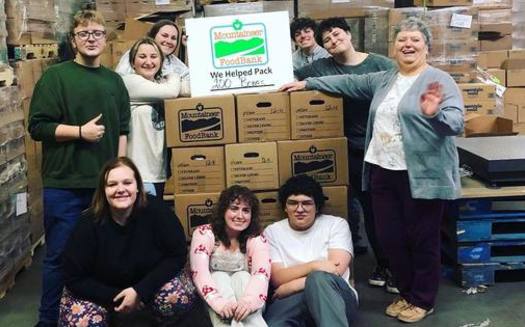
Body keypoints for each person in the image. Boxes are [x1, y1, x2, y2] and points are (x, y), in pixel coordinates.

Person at [280, 17, 464, 323]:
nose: (408, 45)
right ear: (394, 48)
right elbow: (349, 83)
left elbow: (456, 122)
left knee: (422, 239)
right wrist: (308, 83)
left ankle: (423, 299)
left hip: (420, 174)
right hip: (382, 169)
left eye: (415, 40)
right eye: (402, 40)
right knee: (390, 237)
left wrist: (434, 115)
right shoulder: (386, 77)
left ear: (427, 48)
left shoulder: (438, 80)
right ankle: (406, 292)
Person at [28, 10, 130, 327]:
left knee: (105, 257)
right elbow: (38, 126)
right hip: (66, 185)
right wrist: (79, 132)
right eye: (84, 33)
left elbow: (123, 130)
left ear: (104, 38)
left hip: (105, 187)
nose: (91, 39)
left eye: (97, 33)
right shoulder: (55, 77)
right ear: (73, 40)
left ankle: (98, 317)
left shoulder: (115, 81)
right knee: (59, 257)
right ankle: (48, 321)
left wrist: (120, 173)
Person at [295, 17, 396, 291]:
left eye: (336, 34)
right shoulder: (322, 66)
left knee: (379, 210)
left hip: (378, 149)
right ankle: (353, 267)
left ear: (349, 34)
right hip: (341, 149)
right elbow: (294, 73)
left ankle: (390, 265)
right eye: (326, 39)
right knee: (348, 209)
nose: (333, 41)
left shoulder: (380, 65)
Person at [59, 157, 197, 326]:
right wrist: (118, 297)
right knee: (82, 321)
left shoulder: (158, 212)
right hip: (101, 292)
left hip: (147, 285)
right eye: (112, 184)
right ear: (103, 190)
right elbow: (73, 277)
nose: (120, 189)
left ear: (138, 186)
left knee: (176, 296)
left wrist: (140, 291)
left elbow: (177, 254)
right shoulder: (87, 224)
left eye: (127, 183)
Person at [263, 174, 359, 327]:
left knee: (319, 279)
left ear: (317, 206)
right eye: (293, 203)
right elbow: (277, 277)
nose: (299, 209)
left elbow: (335, 271)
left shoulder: (336, 224)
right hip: (292, 299)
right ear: (285, 207)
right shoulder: (272, 231)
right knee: (276, 323)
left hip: (334, 296)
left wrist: (291, 286)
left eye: (307, 203)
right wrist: (314, 266)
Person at [190, 185, 271, 327]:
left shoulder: (256, 238)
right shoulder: (204, 233)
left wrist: (248, 303)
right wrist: (220, 303)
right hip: (214, 302)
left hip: (250, 302)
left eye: (246, 211)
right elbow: (200, 273)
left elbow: (261, 275)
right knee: (218, 276)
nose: (240, 216)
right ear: (223, 211)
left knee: (243, 276)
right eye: (234, 208)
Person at [122, 37, 190, 198]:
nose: (148, 62)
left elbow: (189, 89)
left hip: (158, 172)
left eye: (154, 56)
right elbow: (172, 92)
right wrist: (174, 75)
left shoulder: (160, 84)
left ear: (160, 61)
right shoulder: (130, 82)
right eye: (142, 56)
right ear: (133, 62)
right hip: (139, 172)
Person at [115, 19, 189, 81]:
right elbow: (120, 81)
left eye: (173, 38)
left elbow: (191, 79)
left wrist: (190, 46)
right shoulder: (135, 53)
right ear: (153, 36)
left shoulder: (172, 60)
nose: (169, 41)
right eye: (164, 36)